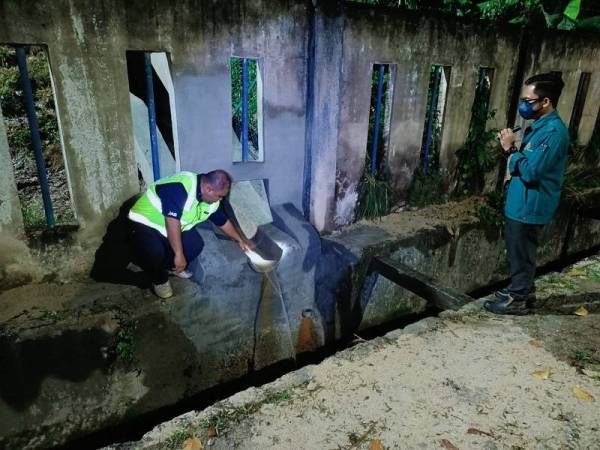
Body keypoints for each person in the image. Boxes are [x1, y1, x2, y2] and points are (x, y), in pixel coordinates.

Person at [484, 73, 569, 315]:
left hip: (531, 204)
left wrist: (511, 148)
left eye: (528, 100)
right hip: (521, 202)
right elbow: (527, 162)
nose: (524, 105)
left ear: (546, 102)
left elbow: (531, 172)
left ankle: (519, 299)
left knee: (521, 251)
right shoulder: (539, 127)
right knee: (518, 249)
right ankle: (523, 289)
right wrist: (511, 151)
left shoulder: (553, 133)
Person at [128, 169, 252, 299]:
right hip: (144, 223)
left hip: (166, 227)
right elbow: (172, 221)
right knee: (154, 251)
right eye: (219, 196)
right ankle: (159, 280)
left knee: (195, 245)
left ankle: (171, 267)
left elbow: (222, 221)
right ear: (209, 189)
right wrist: (179, 254)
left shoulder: (211, 201)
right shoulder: (181, 187)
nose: (220, 200)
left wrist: (240, 240)